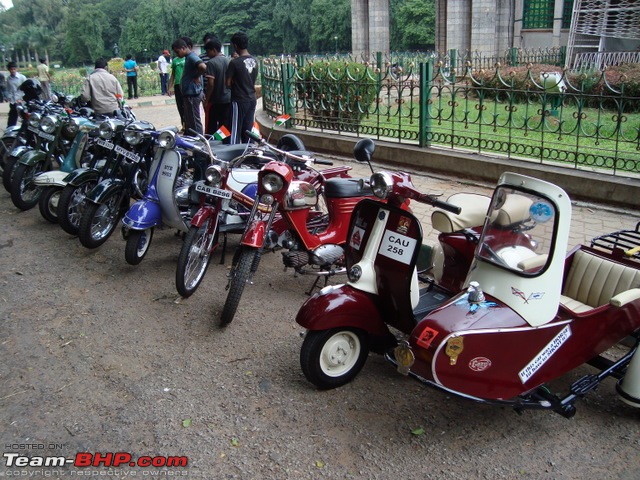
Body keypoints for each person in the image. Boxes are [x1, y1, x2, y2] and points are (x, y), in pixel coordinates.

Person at [226, 31, 258, 144]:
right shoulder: (255, 60)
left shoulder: (234, 63)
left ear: (235, 45)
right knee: (248, 129)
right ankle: (248, 151)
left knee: (235, 128)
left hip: (239, 100)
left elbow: (228, 83)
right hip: (252, 98)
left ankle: (233, 153)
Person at [171, 38, 206, 135]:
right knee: (190, 120)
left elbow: (203, 67)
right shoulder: (188, 57)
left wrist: (196, 76)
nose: (177, 55)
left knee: (194, 120)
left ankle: (200, 140)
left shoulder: (191, 57)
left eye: (177, 52)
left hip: (192, 94)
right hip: (190, 93)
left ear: (183, 48)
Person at [204, 38, 231, 136]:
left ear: (214, 50)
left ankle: (212, 144)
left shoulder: (211, 63)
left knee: (212, 125)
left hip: (216, 100)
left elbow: (210, 84)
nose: (207, 54)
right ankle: (225, 143)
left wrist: (207, 99)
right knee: (225, 125)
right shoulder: (228, 61)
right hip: (228, 98)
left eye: (208, 51)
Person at [168, 45, 186, 132]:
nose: (177, 53)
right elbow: (173, 74)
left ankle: (188, 126)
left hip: (185, 85)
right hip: (177, 85)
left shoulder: (187, 59)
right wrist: (170, 87)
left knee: (186, 106)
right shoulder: (175, 61)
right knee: (180, 107)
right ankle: (183, 124)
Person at [5, 61, 26, 127]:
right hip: (13, 101)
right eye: (11, 69)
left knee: (24, 117)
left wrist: (22, 99)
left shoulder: (22, 77)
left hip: (21, 100)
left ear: (16, 69)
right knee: (12, 117)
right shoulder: (9, 78)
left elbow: (26, 89)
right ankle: (10, 129)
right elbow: (9, 89)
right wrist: (8, 97)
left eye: (14, 69)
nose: (13, 71)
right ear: (9, 70)